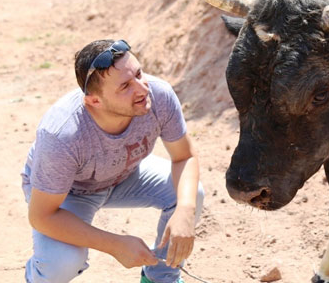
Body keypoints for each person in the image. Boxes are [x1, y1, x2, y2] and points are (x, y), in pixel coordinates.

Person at [21, 39, 204, 283]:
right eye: (125, 86)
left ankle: (161, 279)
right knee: (61, 264)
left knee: (190, 194)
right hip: (68, 194)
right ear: (94, 101)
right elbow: (42, 216)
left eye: (139, 74)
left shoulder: (158, 95)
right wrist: (115, 244)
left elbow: (185, 156)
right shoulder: (61, 134)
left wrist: (185, 210)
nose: (142, 89)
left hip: (125, 174)